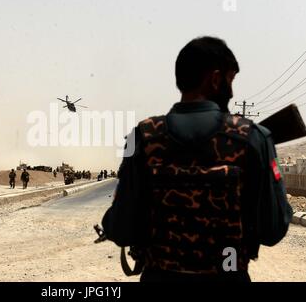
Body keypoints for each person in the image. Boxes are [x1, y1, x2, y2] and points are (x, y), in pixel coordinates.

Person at [101, 36, 293, 283]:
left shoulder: (142, 137)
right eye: (230, 80)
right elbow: (273, 230)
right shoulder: (252, 138)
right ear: (214, 79)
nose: (232, 91)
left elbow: (120, 229)